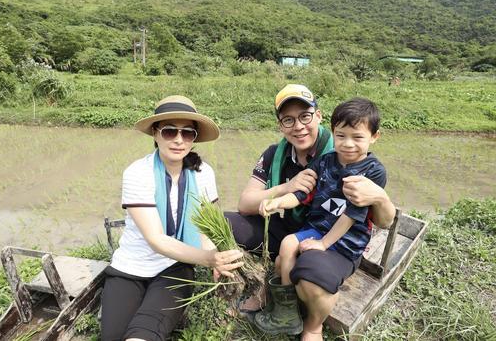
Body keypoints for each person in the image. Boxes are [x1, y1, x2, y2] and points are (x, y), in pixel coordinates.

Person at [225, 84, 395, 340]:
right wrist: (282, 193)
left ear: (318, 116)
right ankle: (285, 306)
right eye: (288, 119)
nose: (298, 126)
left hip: (333, 236)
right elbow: (248, 202)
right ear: (280, 125)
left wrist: (324, 242)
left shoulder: (344, 157)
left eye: (305, 116)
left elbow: (376, 219)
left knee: (306, 272)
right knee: (231, 224)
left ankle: (310, 322)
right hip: (301, 228)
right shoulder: (283, 155)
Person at [100, 95, 244, 341]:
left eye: (187, 133)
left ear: (194, 138)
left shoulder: (203, 174)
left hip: (175, 267)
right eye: (169, 132)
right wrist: (209, 259)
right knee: (112, 336)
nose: (179, 140)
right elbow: (156, 239)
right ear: (155, 134)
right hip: (131, 266)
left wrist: (214, 257)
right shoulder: (138, 172)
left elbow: (204, 227)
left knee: (142, 335)